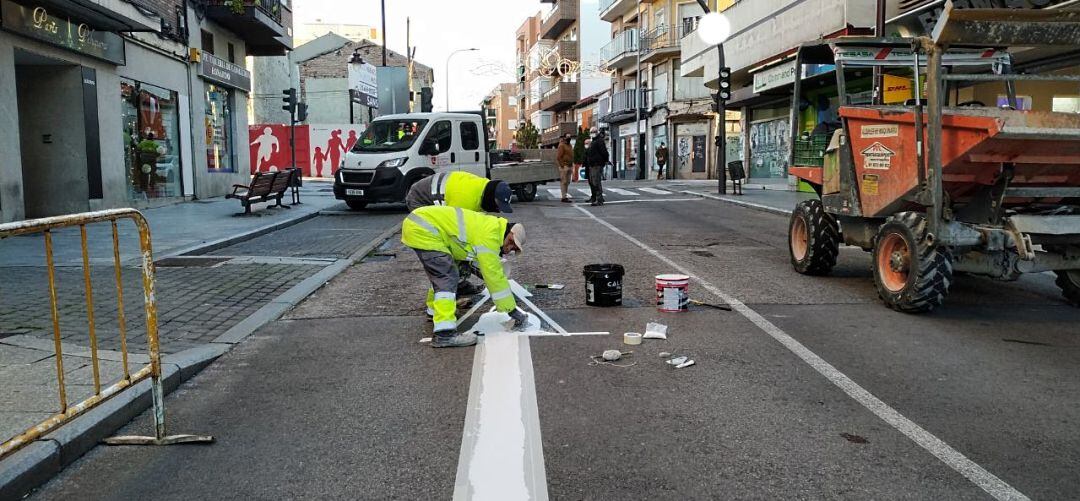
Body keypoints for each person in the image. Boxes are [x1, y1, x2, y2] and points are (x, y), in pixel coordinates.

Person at [401, 206, 529, 348]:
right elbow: (494, 278)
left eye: (514, 250)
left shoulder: (492, 227)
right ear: (510, 236)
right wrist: (512, 311)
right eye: (512, 246)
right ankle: (444, 334)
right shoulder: (490, 237)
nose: (510, 250)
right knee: (447, 277)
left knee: (443, 274)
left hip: (422, 225)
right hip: (424, 229)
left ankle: (434, 312)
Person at [406, 171, 514, 295]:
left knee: (460, 251)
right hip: (420, 200)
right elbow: (458, 237)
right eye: (497, 205)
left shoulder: (481, 189)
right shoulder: (465, 200)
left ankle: (458, 286)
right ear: (491, 197)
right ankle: (445, 293)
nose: (497, 210)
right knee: (443, 254)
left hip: (430, 195)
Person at [584, 130, 609, 206]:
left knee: (596, 182)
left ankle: (599, 199)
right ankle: (595, 198)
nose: (592, 133)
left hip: (597, 164)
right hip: (592, 164)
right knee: (593, 181)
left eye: (593, 131)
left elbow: (604, 152)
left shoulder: (599, 141)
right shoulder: (594, 141)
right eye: (591, 132)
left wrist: (605, 161)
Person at [555, 134, 575, 203]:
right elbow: (558, 157)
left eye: (570, 137)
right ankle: (564, 197)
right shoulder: (562, 145)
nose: (569, 138)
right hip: (565, 166)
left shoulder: (570, 145)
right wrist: (562, 166)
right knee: (564, 182)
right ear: (564, 138)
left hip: (569, 165)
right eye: (567, 137)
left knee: (567, 182)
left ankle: (565, 195)